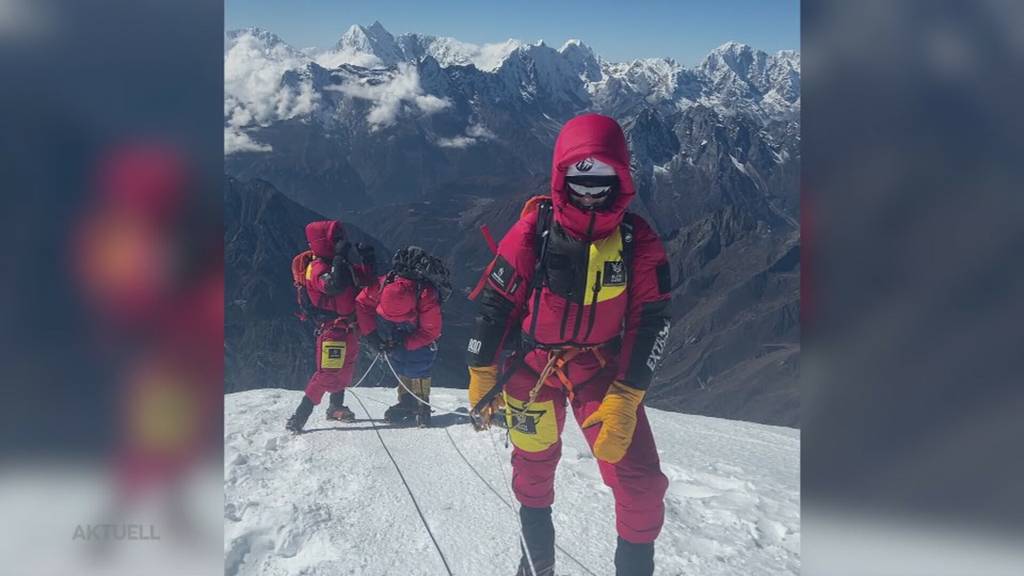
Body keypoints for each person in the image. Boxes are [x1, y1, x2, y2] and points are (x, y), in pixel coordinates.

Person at [466, 113, 672, 576]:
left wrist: (628, 392)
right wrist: (482, 369)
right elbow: (496, 307)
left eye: (603, 178)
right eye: (581, 179)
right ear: (561, 177)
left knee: (639, 484)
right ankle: (533, 564)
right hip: (532, 370)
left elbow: (652, 320)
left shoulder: (638, 242)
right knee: (532, 473)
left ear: (622, 177)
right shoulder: (531, 233)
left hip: (603, 375)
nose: (591, 191)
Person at [285, 220, 376, 432]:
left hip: (348, 327)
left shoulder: (338, 263)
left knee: (346, 370)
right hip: (332, 330)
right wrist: (339, 257)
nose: (340, 242)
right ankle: (299, 417)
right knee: (327, 374)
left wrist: (368, 261)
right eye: (335, 239)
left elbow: (361, 280)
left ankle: (335, 407)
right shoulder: (316, 269)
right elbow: (334, 285)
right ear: (323, 241)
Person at [356, 246, 443, 427]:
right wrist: (373, 336)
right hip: (404, 332)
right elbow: (362, 304)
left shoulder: (425, 295)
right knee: (401, 363)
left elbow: (430, 332)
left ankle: (421, 404)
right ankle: (408, 401)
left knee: (418, 365)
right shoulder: (385, 287)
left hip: (419, 336)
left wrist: (400, 342)